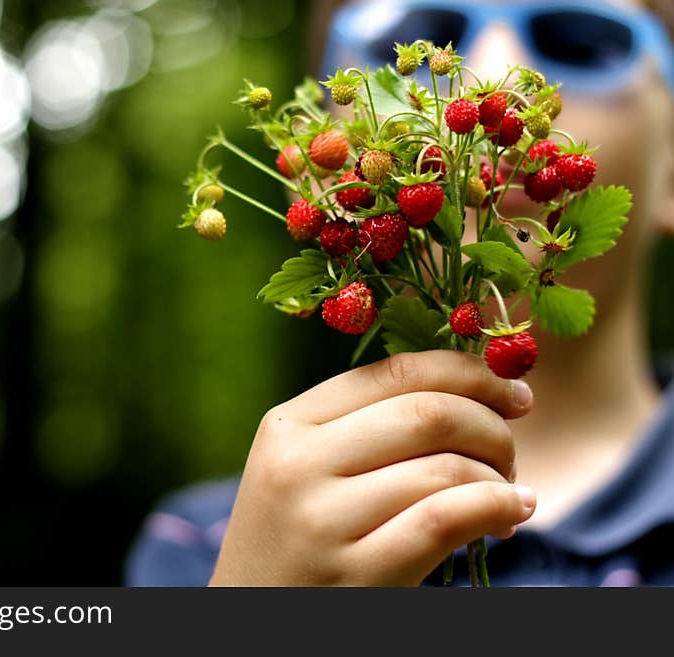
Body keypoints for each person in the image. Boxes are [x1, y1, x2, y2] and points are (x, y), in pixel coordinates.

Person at [125, 0, 674, 586]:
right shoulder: (215, 546)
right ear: (312, 172)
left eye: (579, 40)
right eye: (419, 38)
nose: (494, 79)